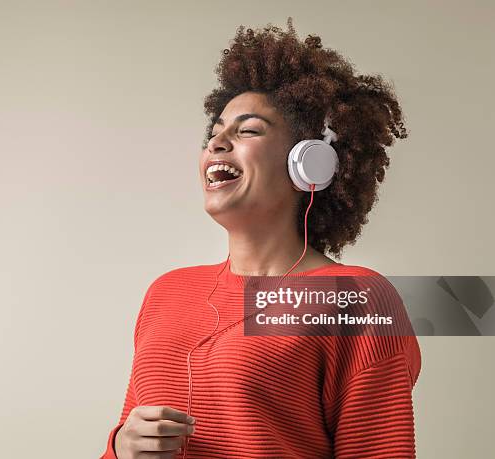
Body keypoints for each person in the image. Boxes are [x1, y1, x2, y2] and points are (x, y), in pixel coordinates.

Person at [100, 17, 420, 459]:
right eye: (213, 133)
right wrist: (120, 446)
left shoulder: (357, 298)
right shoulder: (166, 293)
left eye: (247, 130)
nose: (217, 143)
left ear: (309, 164)